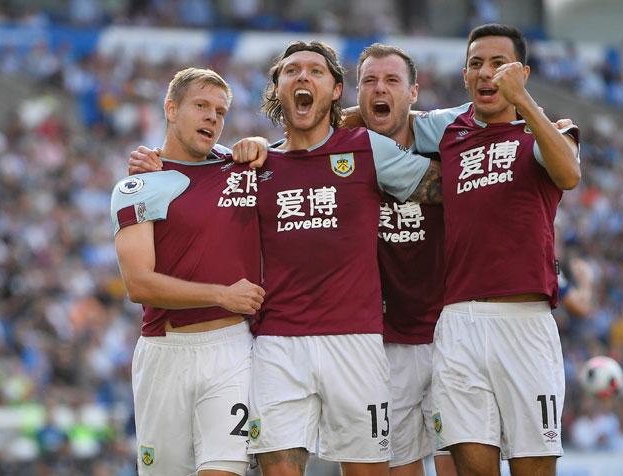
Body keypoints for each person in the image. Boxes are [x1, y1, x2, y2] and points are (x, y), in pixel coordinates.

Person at [243, 40, 442, 476]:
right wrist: (152, 163)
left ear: (336, 90)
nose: (302, 77)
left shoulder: (368, 148)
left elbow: (451, 187)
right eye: (291, 71)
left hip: (356, 341)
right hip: (278, 342)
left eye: (315, 71)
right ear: (276, 88)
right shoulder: (254, 165)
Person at [411, 24, 580, 476]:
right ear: (465, 75)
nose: (487, 73)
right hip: (459, 324)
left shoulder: (548, 129)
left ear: (521, 72)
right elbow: (389, 119)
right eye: (476, 64)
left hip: (524, 324)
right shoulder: (448, 130)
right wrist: (348, 115)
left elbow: (568, 175)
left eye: (499, 64)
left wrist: (524, 101)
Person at [110, 67, 266, 476]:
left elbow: (317, 138)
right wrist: (221, 294)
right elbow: (138, 284)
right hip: (165, 352)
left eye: (221, 111)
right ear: (171, 108)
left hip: (232, 348)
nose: (213, 118)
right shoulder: (141, 184)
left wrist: (263, 143)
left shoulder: (243, 168)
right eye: (201, 106)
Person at [354, 43, 456, 476]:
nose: (381, 89)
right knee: (399, 465)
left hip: (453, 332)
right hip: (384, 342)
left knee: (464, 461)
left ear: (413, 92)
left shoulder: (451, 139)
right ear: (355, 93)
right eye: (370, 81)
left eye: (392, 80)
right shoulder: (342, 152)